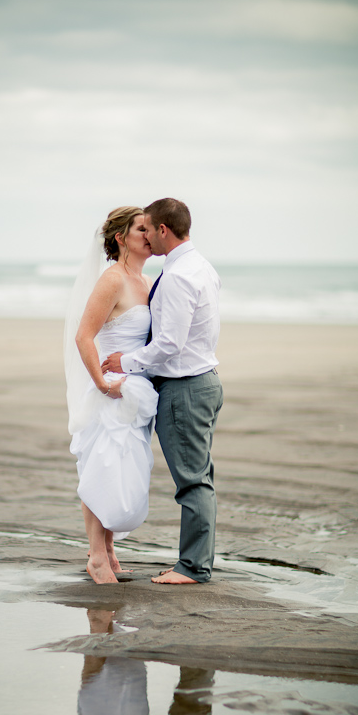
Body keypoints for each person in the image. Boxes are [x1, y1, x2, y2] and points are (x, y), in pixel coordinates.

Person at [102, 198, 223, 585]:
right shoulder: (200, 266)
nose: (147, 237)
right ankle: (194, 562)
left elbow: (168, 344)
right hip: (204, 379)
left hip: (185, 388)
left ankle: (193, 567)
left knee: (192, 481)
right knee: (199, 476)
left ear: (163, 231)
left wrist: (126, 362)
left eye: (149, 229)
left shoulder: (175, 277)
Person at [64, 206, 158, 585]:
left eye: (151, 230)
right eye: (141, 230)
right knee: (100, 467)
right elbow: (83, 336)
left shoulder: (147, 281)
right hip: (109, 390)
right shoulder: (112, 279)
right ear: (121, 238)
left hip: (135, 392)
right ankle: (97, 556)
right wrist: (102, 385)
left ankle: (109, 550)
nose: (149, 236)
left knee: (123, 470)